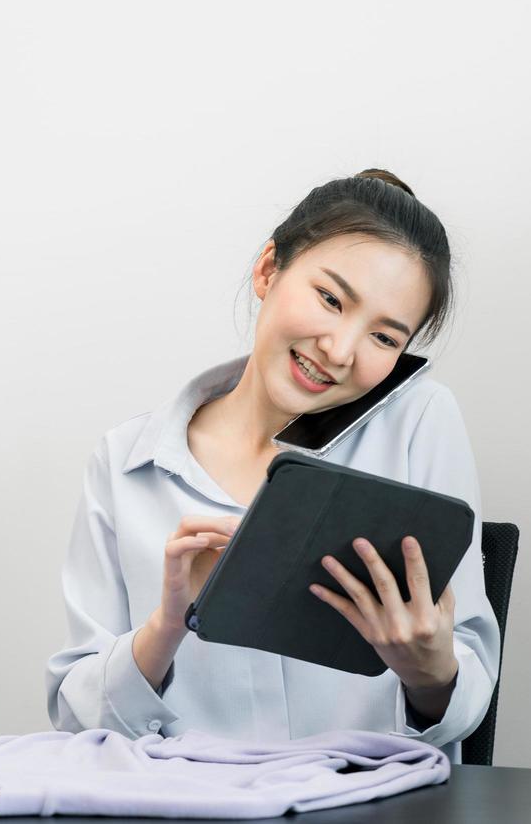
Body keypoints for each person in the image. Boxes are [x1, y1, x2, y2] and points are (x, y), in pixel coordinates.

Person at [45, 169, 499, 760]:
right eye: (330, 299)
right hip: (182, 806)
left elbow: (464, 703)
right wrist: (167, 627)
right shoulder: (128, 463)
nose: (339, 351)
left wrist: (431, 669)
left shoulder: (418, 421)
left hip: (363, 803)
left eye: (385, 339)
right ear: (267, 270)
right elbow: (76, 716)